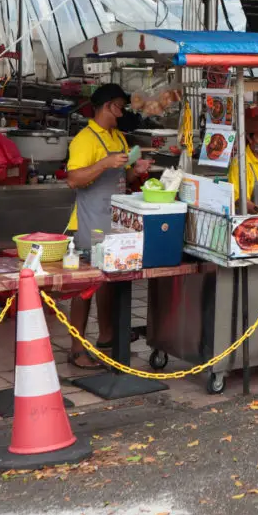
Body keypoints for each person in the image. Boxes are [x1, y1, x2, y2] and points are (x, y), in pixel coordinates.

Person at [65, 83, 153, 369]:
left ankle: (106, 337)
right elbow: (74, 180)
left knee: (107, 284)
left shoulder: (118, 138)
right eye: (120, 106)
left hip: (113, 221)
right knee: (84, 287)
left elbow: (122, 180)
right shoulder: (85, 140)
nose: (123, 112)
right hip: (90, 223)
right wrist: (103, 163)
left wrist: (134, 172)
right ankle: (77, 348)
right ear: (107, 106)